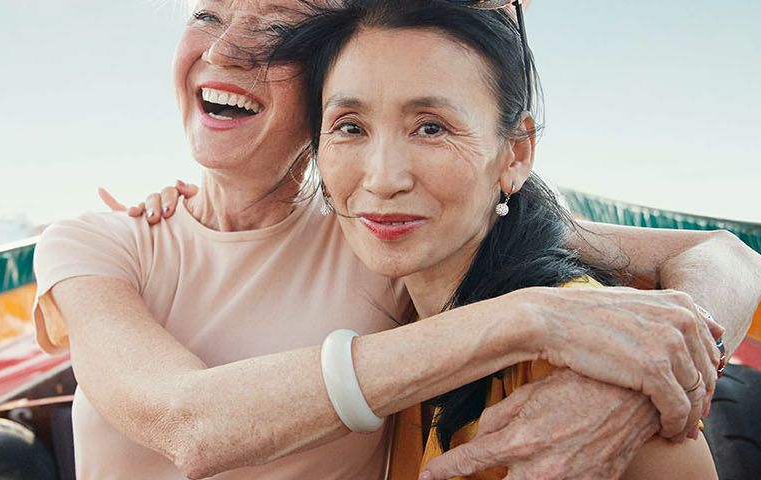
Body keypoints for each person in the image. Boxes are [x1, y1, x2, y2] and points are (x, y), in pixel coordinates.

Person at [33, 0, 761, 477]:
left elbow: (724, 256)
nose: (225, 51)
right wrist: (528, 321)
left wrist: (646, 388)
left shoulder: (382, 235)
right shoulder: (100, 242)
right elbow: (187, 424)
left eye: (278, 29)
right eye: (205, 13)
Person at [271, 0, 717, 477]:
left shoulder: (586, 364)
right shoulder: (397, 321)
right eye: (351, 127)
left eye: (430, 128)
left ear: (516, 154)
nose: (383, 179)